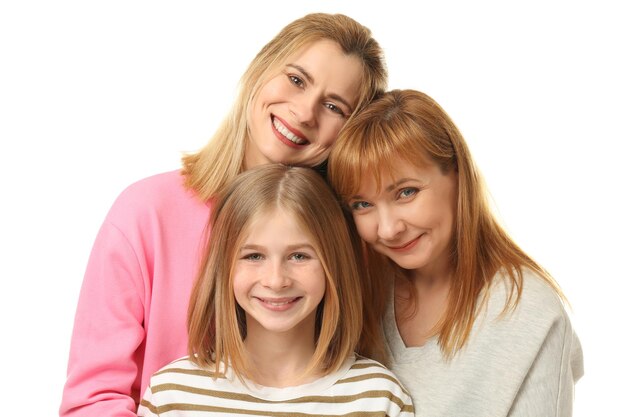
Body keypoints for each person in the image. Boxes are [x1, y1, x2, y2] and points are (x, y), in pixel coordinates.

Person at [60, 13, 387, 416]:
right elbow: (93, 400)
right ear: (260, 71)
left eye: (334, 106)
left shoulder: (353, 239)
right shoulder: (145, 213)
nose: (304, 113)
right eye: (296, 80)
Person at [327, 89, 584, 417]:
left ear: (458, 177)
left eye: (406, 192)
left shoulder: (528, 313)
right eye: (362, 204)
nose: (388, 228)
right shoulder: (355, 294)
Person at [136, 164, 414, 416]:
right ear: (225, 268)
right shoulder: (171, 395)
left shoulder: (377, 398)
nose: (276, 280)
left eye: (299, 256)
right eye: (254, 256)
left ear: (334, 265)